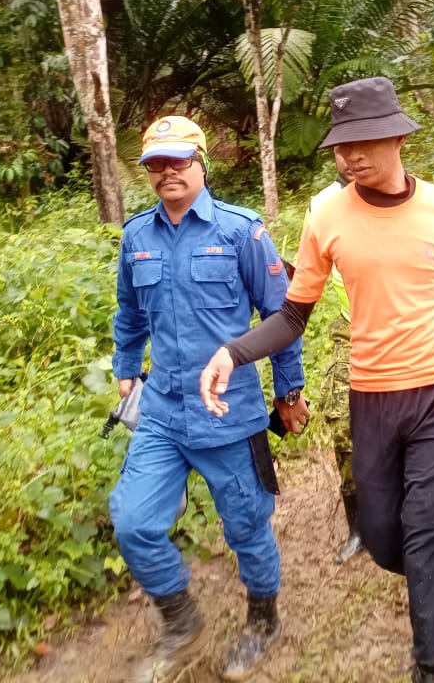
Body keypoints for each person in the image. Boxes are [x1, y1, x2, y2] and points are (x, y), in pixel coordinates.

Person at [199, 77, 434, 683]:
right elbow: (292, 315)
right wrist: (234, 351)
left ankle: (432, 665)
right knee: (384, 538)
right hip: (372, 393)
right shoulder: (326, 216)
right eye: (341, 145)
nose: (350, 155)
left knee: (427, 529)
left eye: (363, 141)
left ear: (398, 138)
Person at [109, 116, 307, 683]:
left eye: (177, 160)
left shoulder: (242, 232)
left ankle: (263, 619)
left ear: (201, 163)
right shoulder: (137, 237)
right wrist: (126, 369)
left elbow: (283, 317)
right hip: (162, 412)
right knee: (133, 521)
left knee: (247, 527)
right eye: (155, 164)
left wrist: (289, 391)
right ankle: (182, 622)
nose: (166, 171)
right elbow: (128, 313)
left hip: (230, 414)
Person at [304, 152, 364, 565]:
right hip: (351, 329)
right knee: (343, 427)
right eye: (342, 149)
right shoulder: (322, 204)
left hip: (406, 331)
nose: (352, 158)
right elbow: (309, 271)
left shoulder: (412, 197)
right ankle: (359, 529)